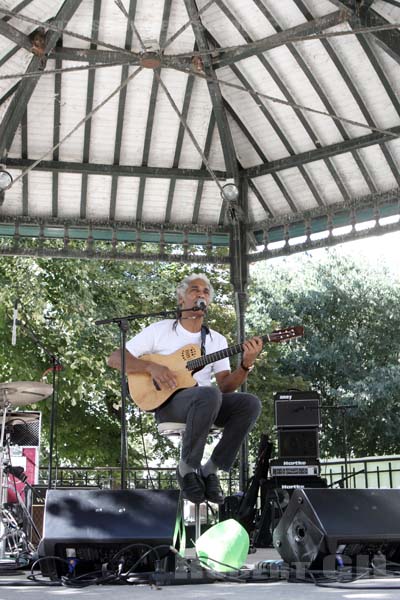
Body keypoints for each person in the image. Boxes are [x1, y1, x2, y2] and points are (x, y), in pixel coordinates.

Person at [108, 273, 262, 504]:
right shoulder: (159, 330)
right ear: (181, 299)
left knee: (249, 403)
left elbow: (226, 386)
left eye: (206, 292)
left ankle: (211, 468)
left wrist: (246, 363)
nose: (201, 294)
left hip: (206, 402)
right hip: (168, 403)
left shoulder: (215, 340)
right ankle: (187, 467)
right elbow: (114, 358)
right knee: (208, 393)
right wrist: (151, 367)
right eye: (194, 290)